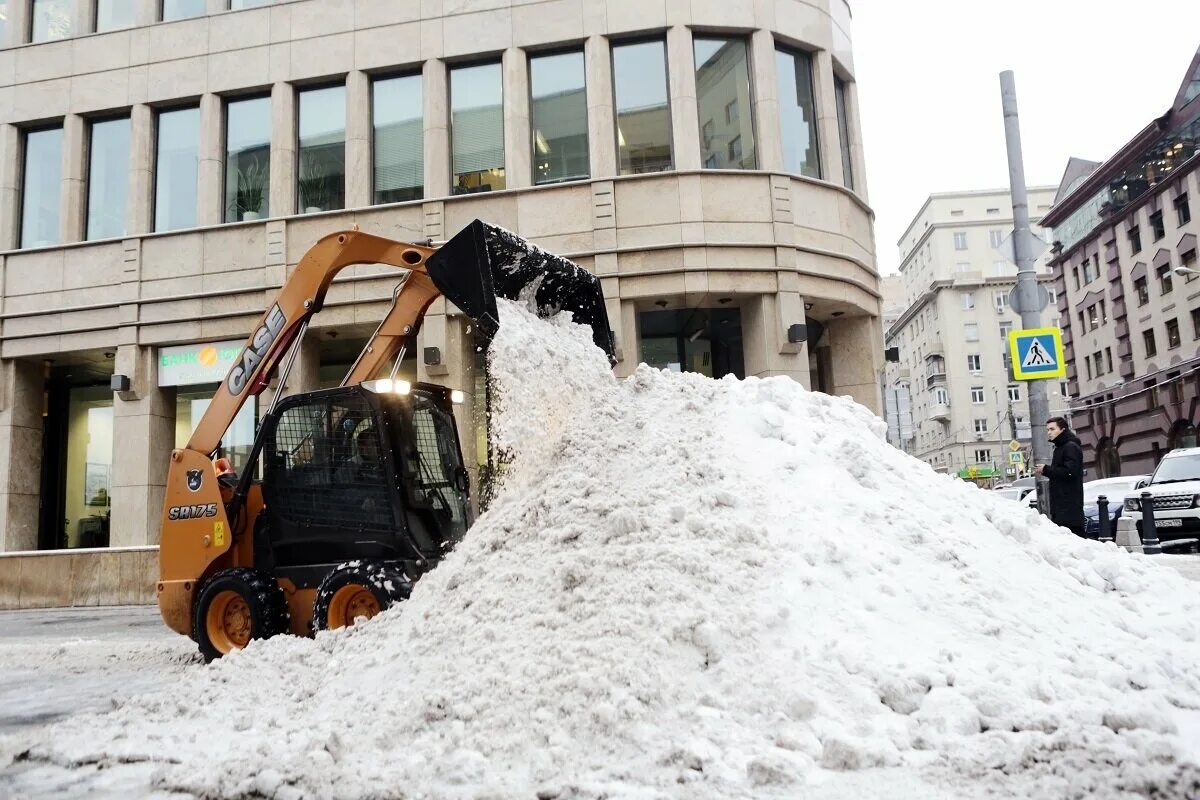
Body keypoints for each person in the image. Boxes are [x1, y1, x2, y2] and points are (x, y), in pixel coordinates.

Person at [1036, 417, 1085, 536]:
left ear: (1063, 430)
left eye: (1052, 429)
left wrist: (1046, 470)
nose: (1049, 432)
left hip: (1069, 507)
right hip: (1063, 506)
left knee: (1074, 541)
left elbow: (1070, 472)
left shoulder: (1070, 447)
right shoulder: (1061, 447)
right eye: (1047, 430)